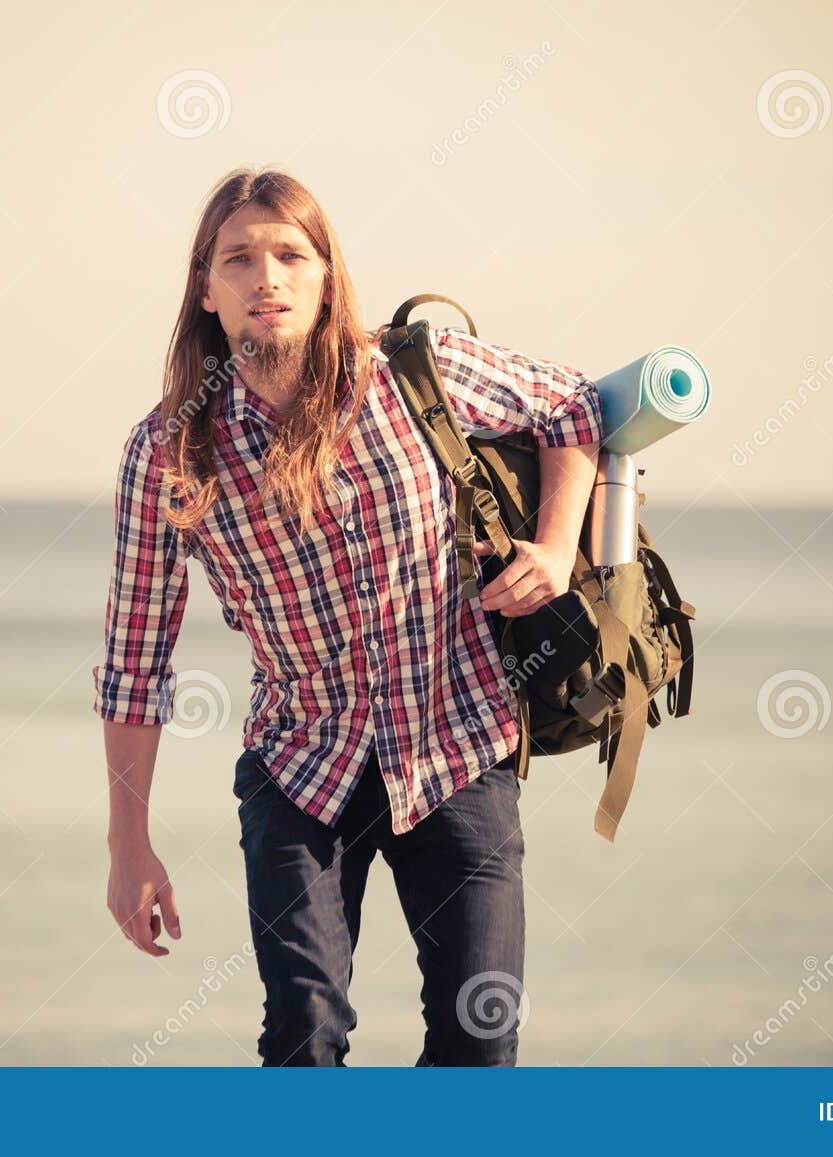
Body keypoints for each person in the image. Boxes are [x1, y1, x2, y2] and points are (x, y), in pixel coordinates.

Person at [93, 166, 603, 1065]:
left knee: (479, 1039)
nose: (267, 277)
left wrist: (557, 549)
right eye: (239, 259)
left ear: (328, 276)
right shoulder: (170, 450)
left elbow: (571, 404)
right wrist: (128, 846)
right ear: (206, 291)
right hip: (301, 766)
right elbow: (137, 659)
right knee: (304, 1034)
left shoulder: (416, 374)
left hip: (457, 748)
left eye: (292, 254)